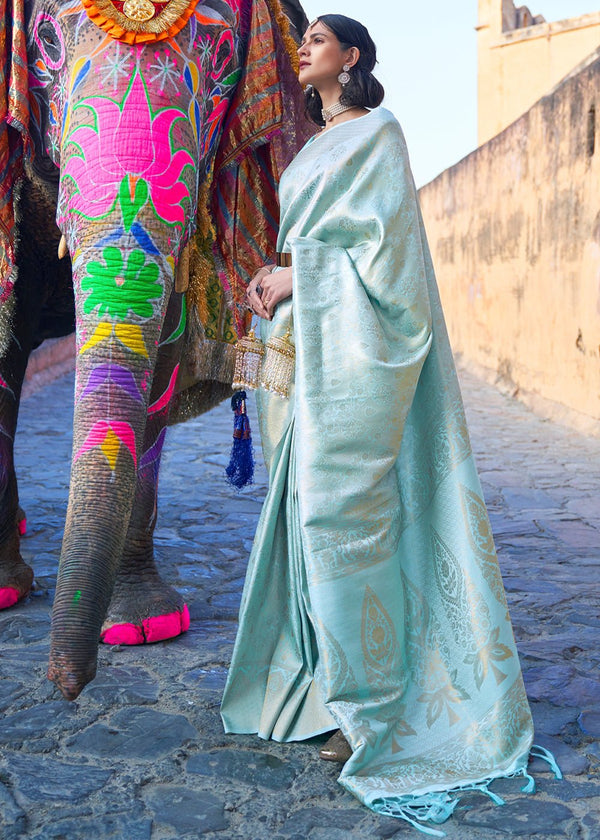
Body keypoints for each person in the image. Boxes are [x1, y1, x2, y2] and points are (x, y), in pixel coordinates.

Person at [220, 14, 559, 835]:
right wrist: (273, 279)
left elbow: (392, 267)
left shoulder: (378, 135)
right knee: (300, 519)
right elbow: (307, 245)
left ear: (355, 57)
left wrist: (303, 278)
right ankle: (322, 680)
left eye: (321, 41)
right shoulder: (311, 146)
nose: (305, 48)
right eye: (307, 42)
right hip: (303, 355)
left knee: (344, 519)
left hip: (353, 355)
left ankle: (371, 710)